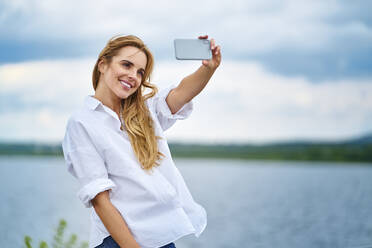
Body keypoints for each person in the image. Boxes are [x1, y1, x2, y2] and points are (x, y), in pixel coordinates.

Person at [61, 34, 221, 248]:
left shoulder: (145, 112)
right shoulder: (82, 123)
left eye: (140, 72)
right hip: (117, 241)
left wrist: (208, 68)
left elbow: (181, 93)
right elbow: (100, 200)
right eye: (126, 65)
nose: (133, 76)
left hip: (160, 239)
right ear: (103, 64)